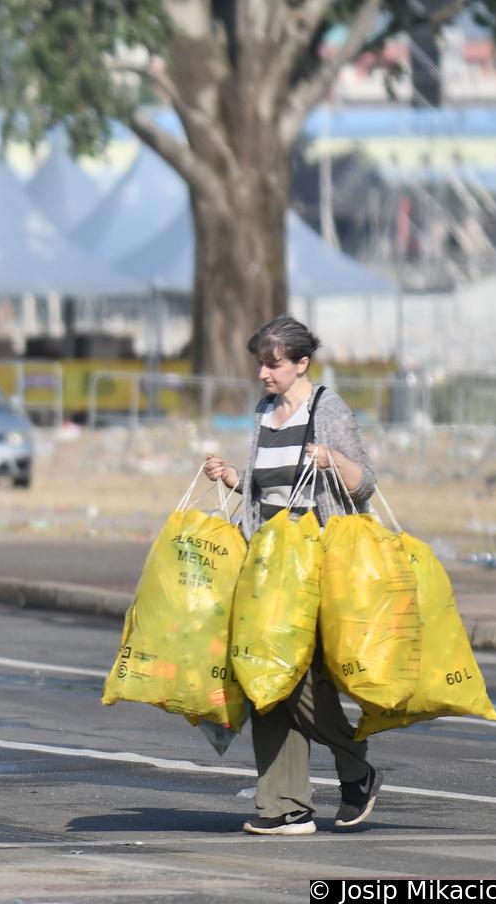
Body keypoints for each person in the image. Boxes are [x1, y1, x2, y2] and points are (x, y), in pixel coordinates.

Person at [203, 314, 383, 836]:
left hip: (316, 567)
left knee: (298, 680)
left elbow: (364, 482)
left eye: (273, 363)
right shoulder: (264, 413)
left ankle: (355, 764)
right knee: (261, 675)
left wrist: (331, 460)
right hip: (267, 565)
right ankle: (285, 806)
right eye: (260, 362)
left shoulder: (327, 409)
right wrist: (232, 477)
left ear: (302, 363)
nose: (263, 372)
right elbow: (266, 493)